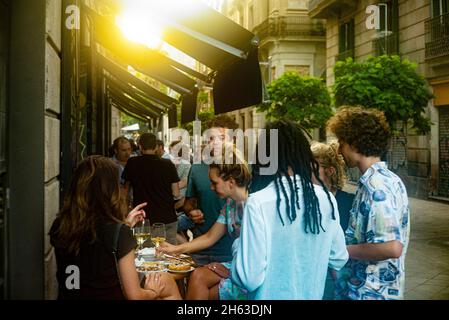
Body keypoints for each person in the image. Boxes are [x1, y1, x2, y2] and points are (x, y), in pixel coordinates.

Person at [230, 120, 348, 300]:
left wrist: (239, 244)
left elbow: (248, 278)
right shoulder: (326, 198)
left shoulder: (258, 203)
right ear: (302, 154)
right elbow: (339, 257)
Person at [49, 155, 181, 300]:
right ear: (110, 190)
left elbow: (90, 253)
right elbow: (135, 296)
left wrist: (124, 226)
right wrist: (153, 292)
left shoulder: (61, 225)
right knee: (166, 283)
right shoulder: (117, 232)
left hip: (70, 296)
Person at [327, 106, 410, 300]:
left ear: (355, 143)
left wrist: (341, 251)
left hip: (369, 293)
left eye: (342, 142)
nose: (339, 149)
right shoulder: (389, 179)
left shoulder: (376, 187)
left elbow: (392, 247)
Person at [159, 145, 250, 300]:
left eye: (214, 182)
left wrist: (234, 271)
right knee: (198, 275)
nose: (211, 187)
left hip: (250, 272)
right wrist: (175, 249)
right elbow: (210, 237)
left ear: (231, 181)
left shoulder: (256, 206)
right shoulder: (231, 205)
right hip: (237, 265)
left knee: (204, 289)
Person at [183, 115, 239, 266]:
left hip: (232, 251)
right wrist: (191, 212)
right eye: (211, 139)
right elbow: (188, 204)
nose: (215, 143)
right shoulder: (196, 169)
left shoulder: (246, 170)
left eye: (221, 137)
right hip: (200, 248)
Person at [311, 141, 355, 299]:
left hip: (346, 281)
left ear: (330, 171)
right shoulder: (306, 204)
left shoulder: (350, 203)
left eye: (312, 170)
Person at [123, 133, 180, 245]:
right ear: (156, 147)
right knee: (168, 256)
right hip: (167, 218)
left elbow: (125, 192)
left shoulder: (132, 163)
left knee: (144, 256)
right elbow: (176, 192)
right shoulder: (168, 164)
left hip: (142, 218)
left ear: (140, 146)